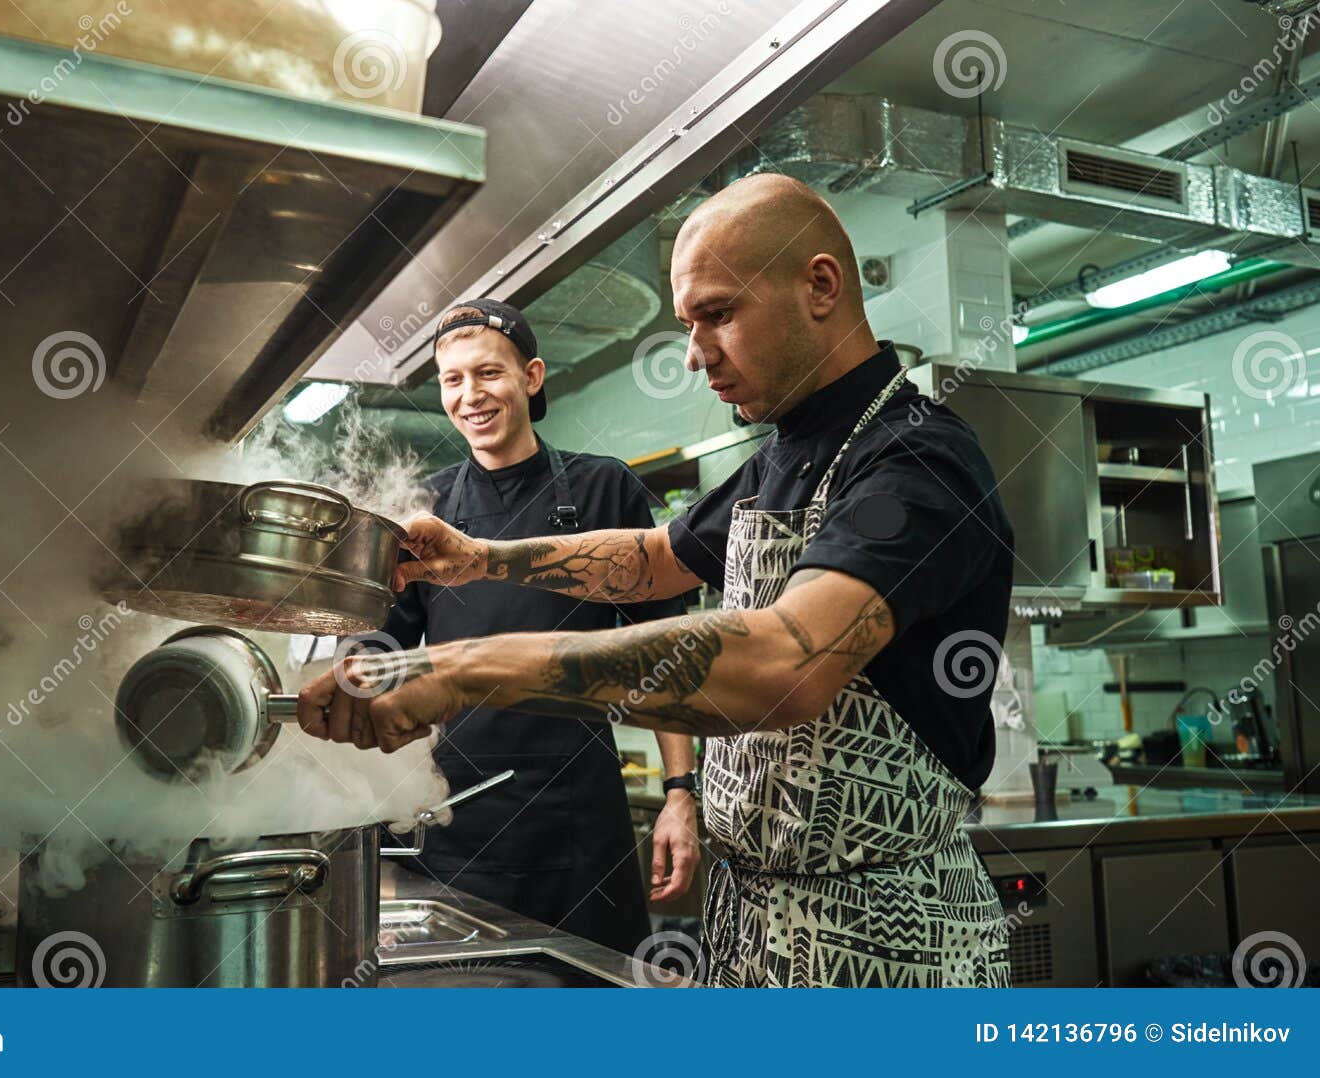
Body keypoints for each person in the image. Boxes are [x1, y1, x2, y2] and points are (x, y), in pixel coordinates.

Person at [299, 173, 1016, 987]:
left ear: (821, 285)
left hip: (883, 944)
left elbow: (788, 664)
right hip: (754, 923)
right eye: (687, 323)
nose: (693, 352)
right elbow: (654, 560)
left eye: (718, 314)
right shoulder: (784, 456)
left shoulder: (913, 461)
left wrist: (464, 669)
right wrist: (479, 559)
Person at [366, 298, 699, 956]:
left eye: (488, 374)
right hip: (455, 817)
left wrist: (680, 794)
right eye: (452, 380)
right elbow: (379, 663)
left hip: (580, 822)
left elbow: (668, 652)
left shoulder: (607, 489)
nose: (470, 396)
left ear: (532, 376)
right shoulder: (423, 511)